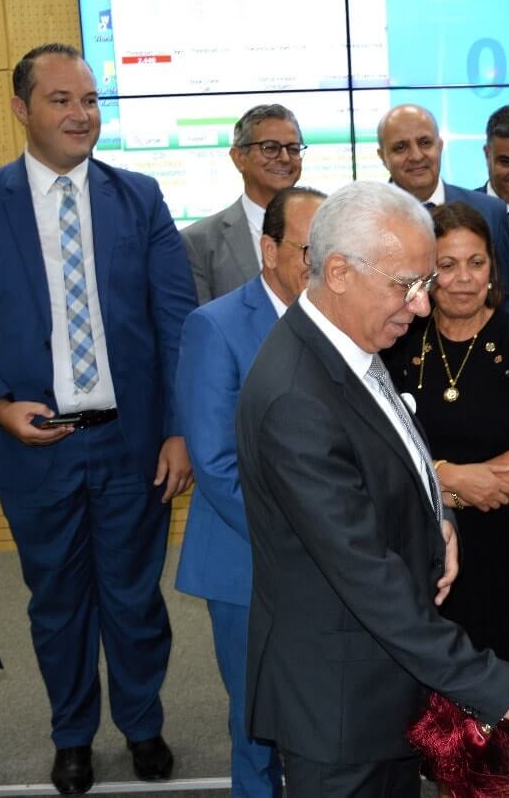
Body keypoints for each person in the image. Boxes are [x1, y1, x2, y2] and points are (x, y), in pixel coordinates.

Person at [0, 43, 196, 795]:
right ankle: (72, 734)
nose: (81, 115)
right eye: (61, 100)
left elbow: (177, 320)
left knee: (135, 597)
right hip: (33, 445)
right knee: (57, 601)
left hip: (133, 443)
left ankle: (141, 723)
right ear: (21, 109)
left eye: (91, 100)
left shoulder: (140, 198)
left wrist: (179, 428)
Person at [236, 180, 509, 798]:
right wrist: (490, 683)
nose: (421, 305)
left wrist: (441, 521)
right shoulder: (296, 397)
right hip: (338, 708)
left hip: (376, 688)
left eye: (424, 283)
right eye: (407, 284)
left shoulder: (351, 346)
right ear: (338, 272)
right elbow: (364, 573)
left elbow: (400, 463)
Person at [382, 201, 509, 790]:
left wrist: (481, 483)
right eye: (447, 264)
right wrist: (451, 480)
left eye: (475, 263)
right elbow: (385, 449)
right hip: (426, 547)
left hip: (506, 551)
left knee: (504, 712)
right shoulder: (401, 340)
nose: (462, 278)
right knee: (441, 712)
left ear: (492, 269)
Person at [174, 185, 325, 798]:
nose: (323, 264)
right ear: (269, 249)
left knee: (320, 712)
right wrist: (304, 536)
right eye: (309, 249)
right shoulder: (215, 326)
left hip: (330, 556)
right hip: (248, 559)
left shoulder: (341, 319)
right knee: (256, 722)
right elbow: (214, 462)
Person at [376, 104, 509, 304]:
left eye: (425, 143)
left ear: (439, 146)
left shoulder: (490, 211)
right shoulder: (367, 221)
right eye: (400, 147)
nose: (416, 156)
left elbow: (505, 298)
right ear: (382, 156)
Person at [182, 104, 306, 303]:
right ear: (239, 158)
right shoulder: (199, 242)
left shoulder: (329, 230)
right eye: (270, 148)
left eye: (293, 149)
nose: (284, 158)